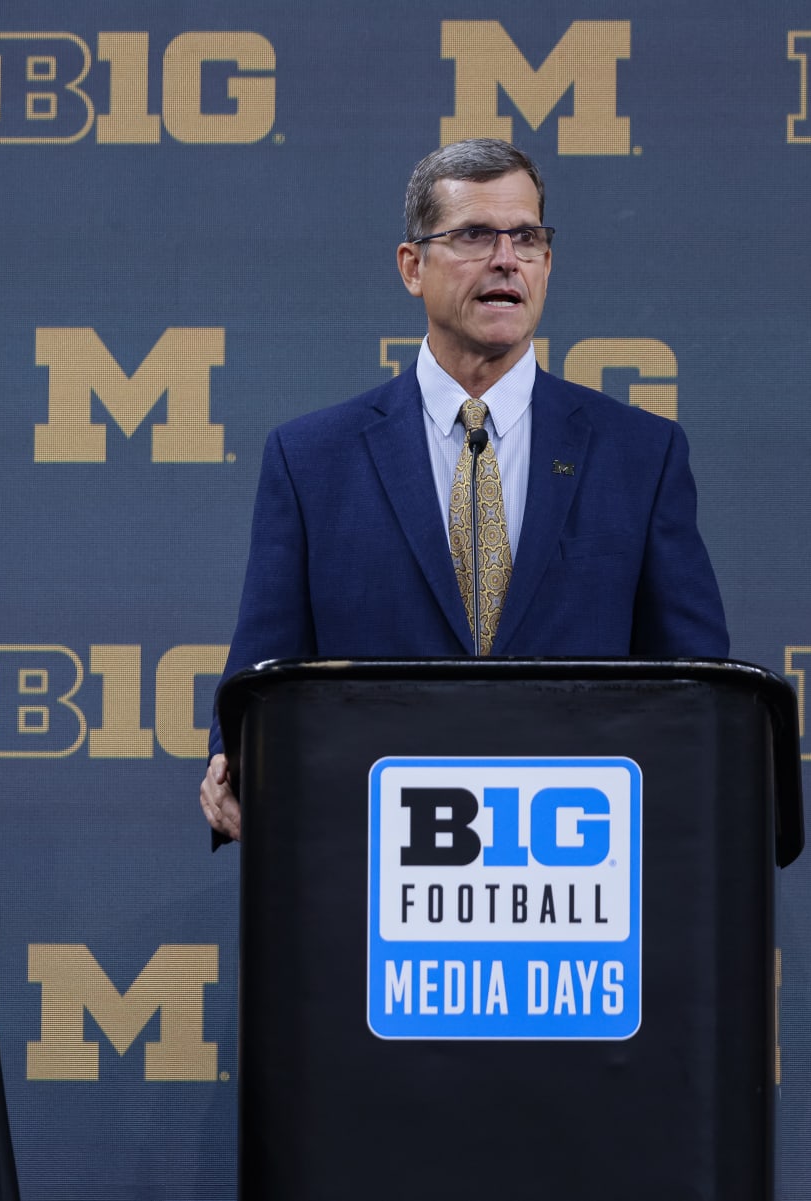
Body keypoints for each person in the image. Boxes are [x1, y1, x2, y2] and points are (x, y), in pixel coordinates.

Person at [199, 138, 727, 842]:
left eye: (528, 238)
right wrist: (233, 757)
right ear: (412, 266)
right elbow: (261, 678)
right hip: (371, 866)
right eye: (476, 235)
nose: (506, 258)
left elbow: (699, 696)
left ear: (546, 262)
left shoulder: (639, 454)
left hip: (574, 878)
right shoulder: (312, 459)